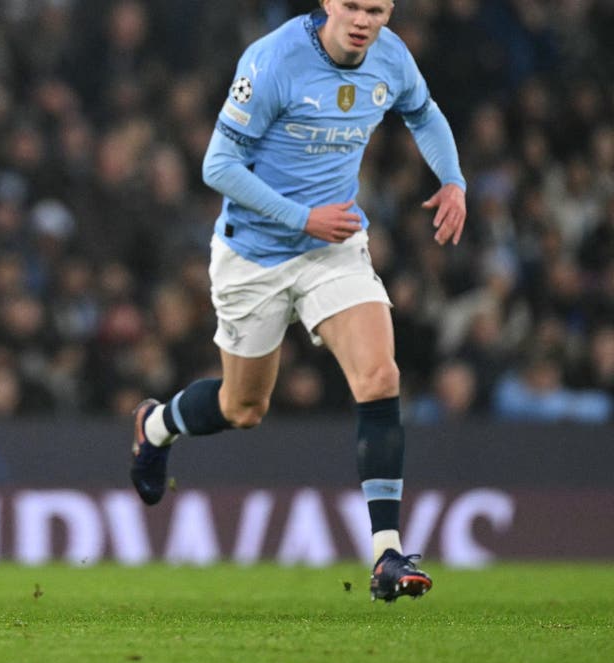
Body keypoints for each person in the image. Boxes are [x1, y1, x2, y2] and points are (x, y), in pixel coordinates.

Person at [130, 0, 466, 602]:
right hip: (254, 254)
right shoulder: (273, 60)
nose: (366, 20)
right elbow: (217, 164)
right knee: (244, 408)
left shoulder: (390, 56)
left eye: (379, 9)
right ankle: (156, 425)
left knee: (379, 375)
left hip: (332, 246)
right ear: (330, 3)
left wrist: (453, 180)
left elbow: (425, 112)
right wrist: (301, 217)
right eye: (356, 7)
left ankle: (387, 553)